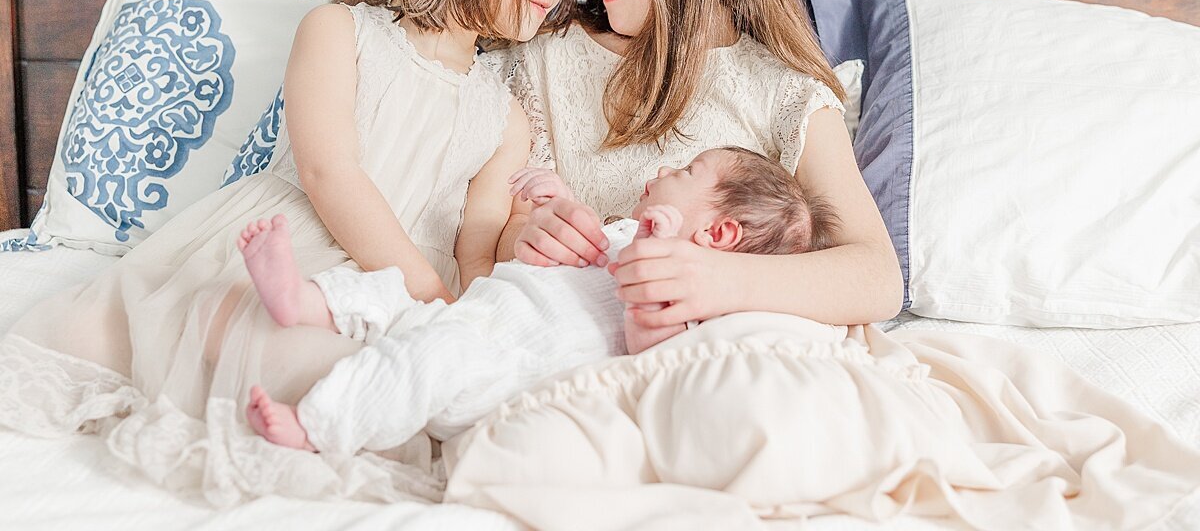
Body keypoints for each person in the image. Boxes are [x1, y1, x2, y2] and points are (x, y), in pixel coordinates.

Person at [0, 0, 586, 494]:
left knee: (406, 376)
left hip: (407, 290)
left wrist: (467, 316)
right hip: (312, 245)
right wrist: (422, 289)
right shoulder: (341, 32)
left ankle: (341, 405)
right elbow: (328, 173)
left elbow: (478, 245)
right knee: (227, 321)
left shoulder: (503, 115)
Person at [484, 0, 903, 331]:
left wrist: (713, 279)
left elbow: (877, 278)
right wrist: (525, 237)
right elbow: (489, 233)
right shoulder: (542, 64)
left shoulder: (784, 94)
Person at [234, 147, 839, 455]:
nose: (663, 169)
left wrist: (653, 261)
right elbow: (585, 249)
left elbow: (649, 354)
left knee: (428, 355)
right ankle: (301, 300)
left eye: (687, 169)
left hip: (497, 368)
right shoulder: (628, 233)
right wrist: (558, 198)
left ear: (718, 235)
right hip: (471, 314)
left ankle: (318, 426)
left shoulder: (691, 302)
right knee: (386, 292)